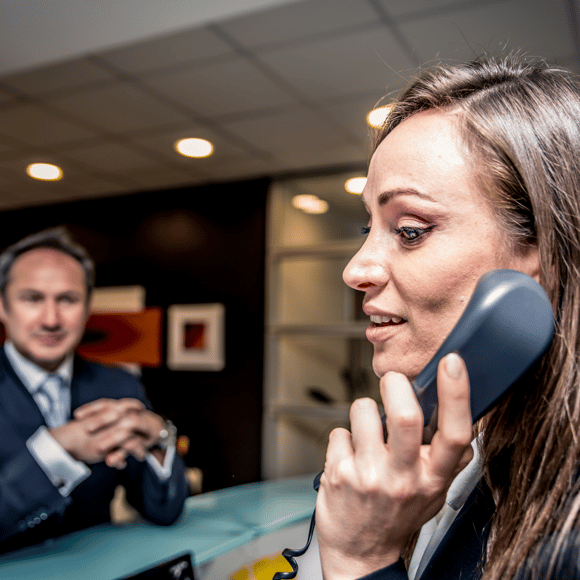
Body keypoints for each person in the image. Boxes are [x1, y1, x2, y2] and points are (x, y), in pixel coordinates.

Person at [315, 55, 580, 580]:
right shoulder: (475, 452)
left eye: (410, 230)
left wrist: (359, 557)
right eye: (367, 228)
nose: (355, 269)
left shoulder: (566, 545)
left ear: (545, 256)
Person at [0, 227, 188, 554]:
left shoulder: (119, 385)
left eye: (67, 300)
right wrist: (57, 451)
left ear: (87, 309)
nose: (51, 319)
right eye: (32, 298)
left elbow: (164, 511)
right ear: (3, 306)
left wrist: (160, 438)